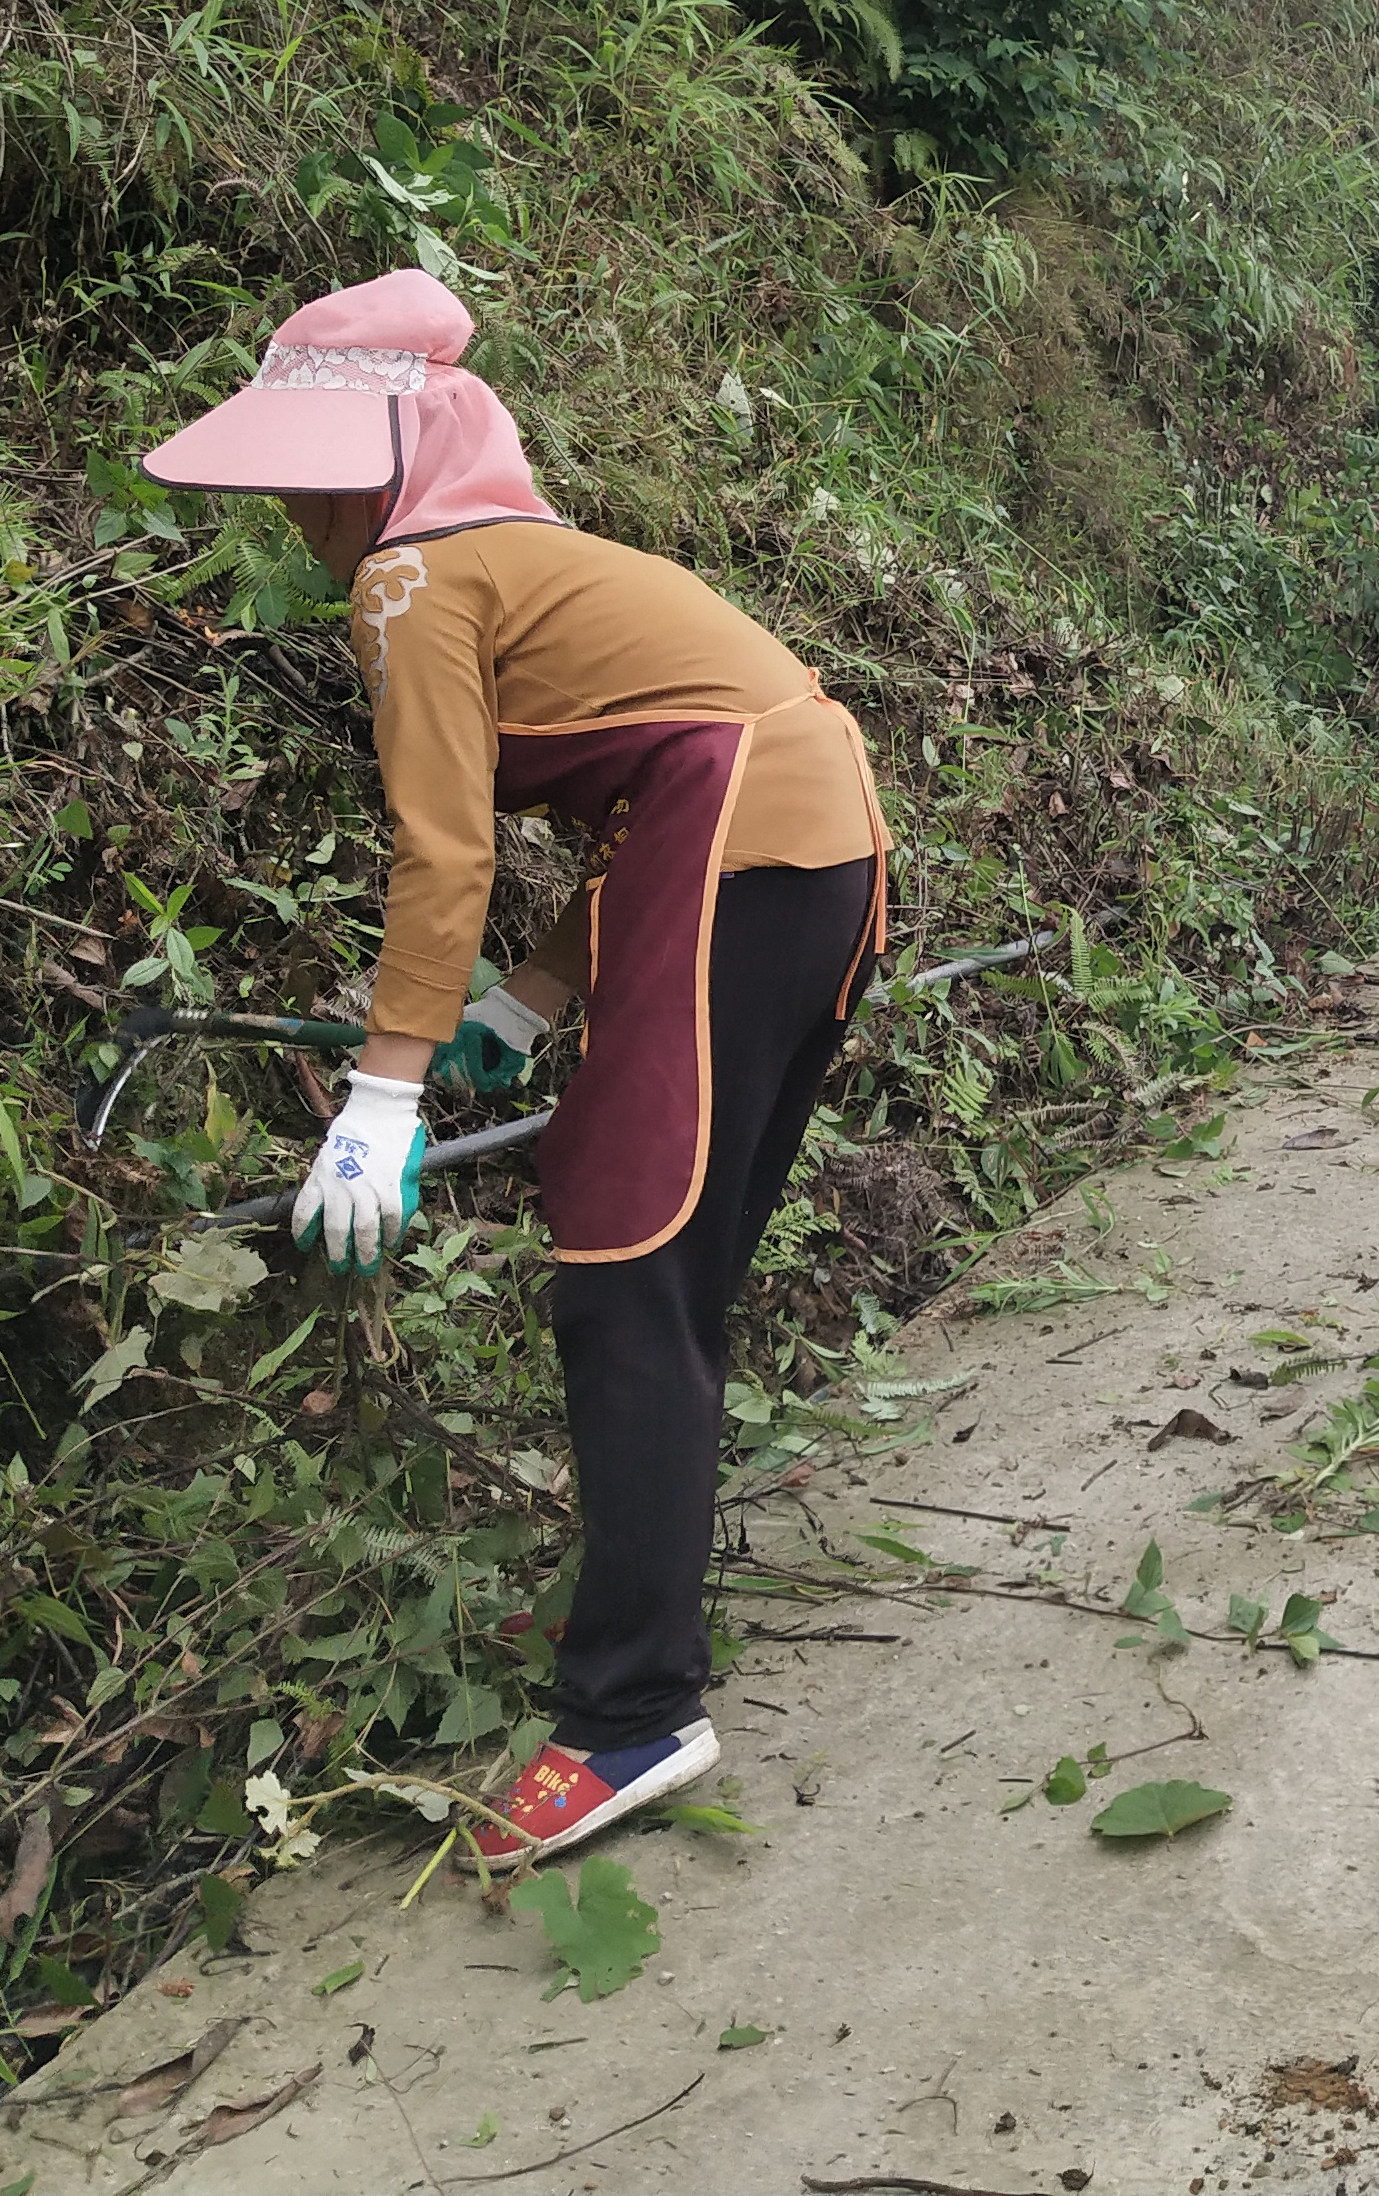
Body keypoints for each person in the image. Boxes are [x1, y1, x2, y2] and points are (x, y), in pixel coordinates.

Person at [142, 270, 895, 1864]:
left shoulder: (415, 583)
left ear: (394, 463)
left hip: (741, 839)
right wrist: (533, 1004)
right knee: (668, 1275)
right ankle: (647, 1628)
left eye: (314, 474)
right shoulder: (527, 561)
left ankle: (631, 1712)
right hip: (804, 846)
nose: (293, 507)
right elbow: (641, 795)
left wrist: (384, 1093)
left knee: (624, 1262)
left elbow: (445, 853)